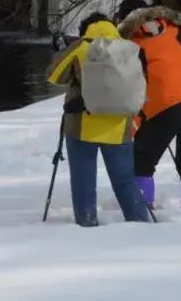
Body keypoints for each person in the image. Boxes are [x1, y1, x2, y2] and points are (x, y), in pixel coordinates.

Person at [46, 12, 150, 227]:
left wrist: (62, 50)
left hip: (82, 125)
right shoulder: (127, 48)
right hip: (119, 124)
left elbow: (54, 75)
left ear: (85, 29)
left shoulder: (82, 46)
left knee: (84, 181)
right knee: (124, 180)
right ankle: (141, 223)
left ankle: (87, 224)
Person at [115, 0, 181, 211]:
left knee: (142, 157)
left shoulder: (130, 43)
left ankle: (140, 207)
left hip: (166, 102)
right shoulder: (174, 30)